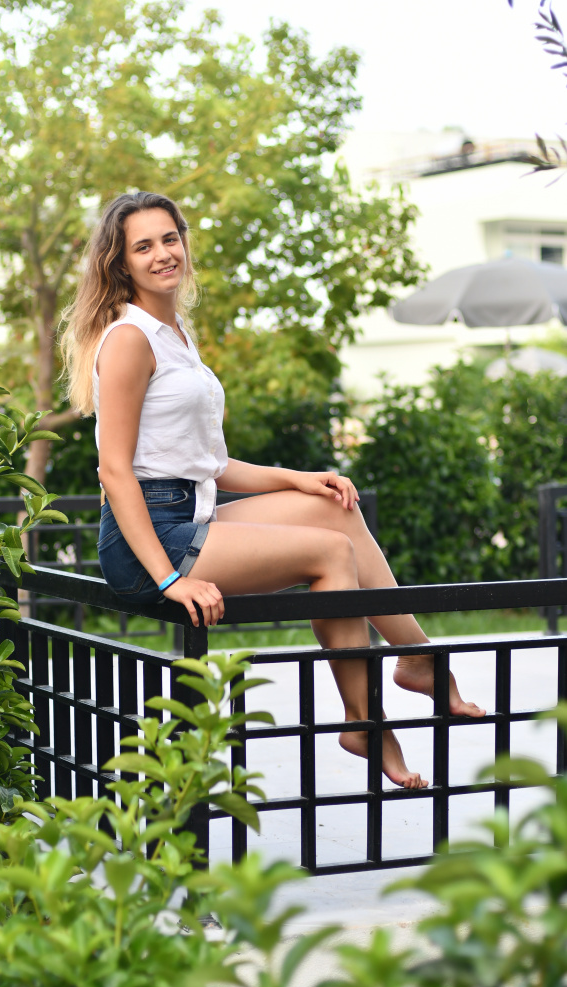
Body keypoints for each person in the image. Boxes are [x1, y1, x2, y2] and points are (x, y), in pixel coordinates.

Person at [60, 191, 485, 790]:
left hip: (189, 513)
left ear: (184, 242)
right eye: (143, 246)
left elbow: (208, 464)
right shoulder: (131, 339)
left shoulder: (174, 333)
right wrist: (170, 579)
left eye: (170, 238)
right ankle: (365, 721)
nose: (163, 254)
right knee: (330, 553)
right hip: (146, 543)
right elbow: (114, 472)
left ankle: (420, 658)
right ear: (121, 262)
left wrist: (298, 478)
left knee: (330, 510)